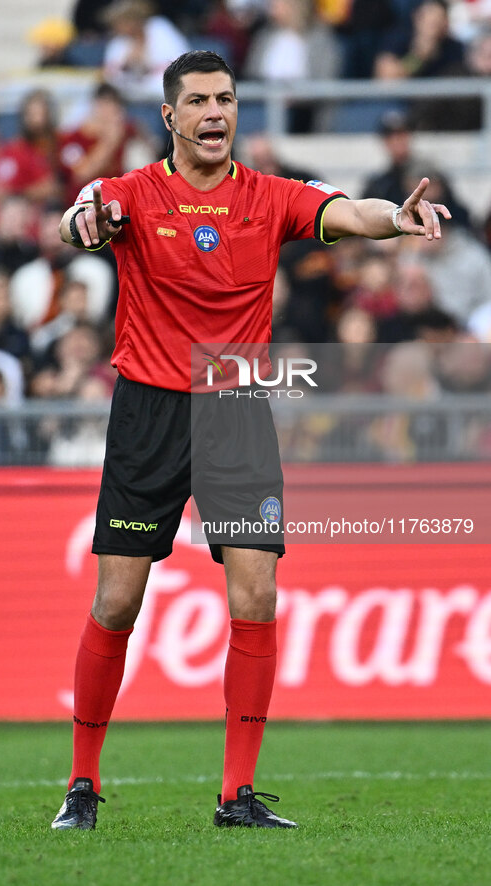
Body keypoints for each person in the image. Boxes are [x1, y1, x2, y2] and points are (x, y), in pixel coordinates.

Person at [51, 50, 450, 832]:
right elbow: (78, 219)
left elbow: (346, 211)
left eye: (226, 99)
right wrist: (83, 221)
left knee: (257, 594)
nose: (214, 112)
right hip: (150, 413)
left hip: (235, 411)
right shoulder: (133, 194)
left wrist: (392, 220)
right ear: (168, 117)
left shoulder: (269, 197)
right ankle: (82, 784)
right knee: (117, 600)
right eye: (197, 100)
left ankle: (236, 796)